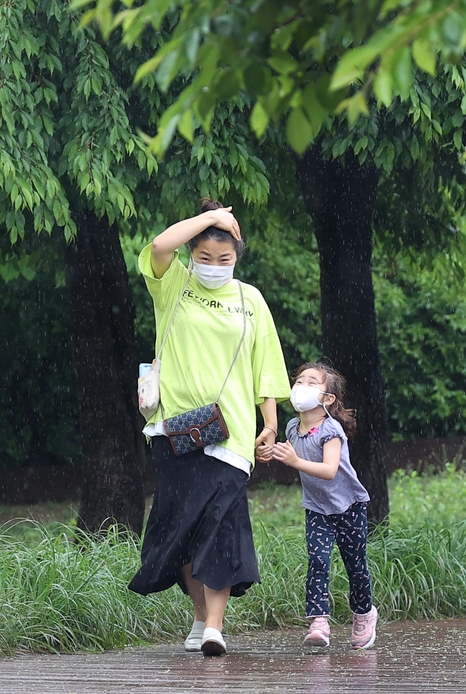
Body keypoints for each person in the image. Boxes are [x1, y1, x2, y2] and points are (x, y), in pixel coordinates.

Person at [128, 200, 291, 656]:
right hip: (174, 432)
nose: (215, 267)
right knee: (182, 529)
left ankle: (215, 627)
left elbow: (267, 364)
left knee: (221, 526)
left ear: (237, 257)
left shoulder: (250, 299)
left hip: (232, 434)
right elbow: (160, 245)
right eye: (205, 257)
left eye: (225, 259)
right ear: (193, 255)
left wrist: (271, 421)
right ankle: (200, 615)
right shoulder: (174, 285)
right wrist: (213, 219)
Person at [263, 361, 378, 650]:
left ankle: (364, 613)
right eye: (299, 381)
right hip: (317, 509)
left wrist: (294, 461)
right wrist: (269, 451)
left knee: (356, 566)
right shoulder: (291, 427)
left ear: (328, 399)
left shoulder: (331, 430)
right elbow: (289, 454)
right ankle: (318, 622)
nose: (301, 387)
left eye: (311, 382)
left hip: (349, 507)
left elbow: (329, 470)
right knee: (318, 561)